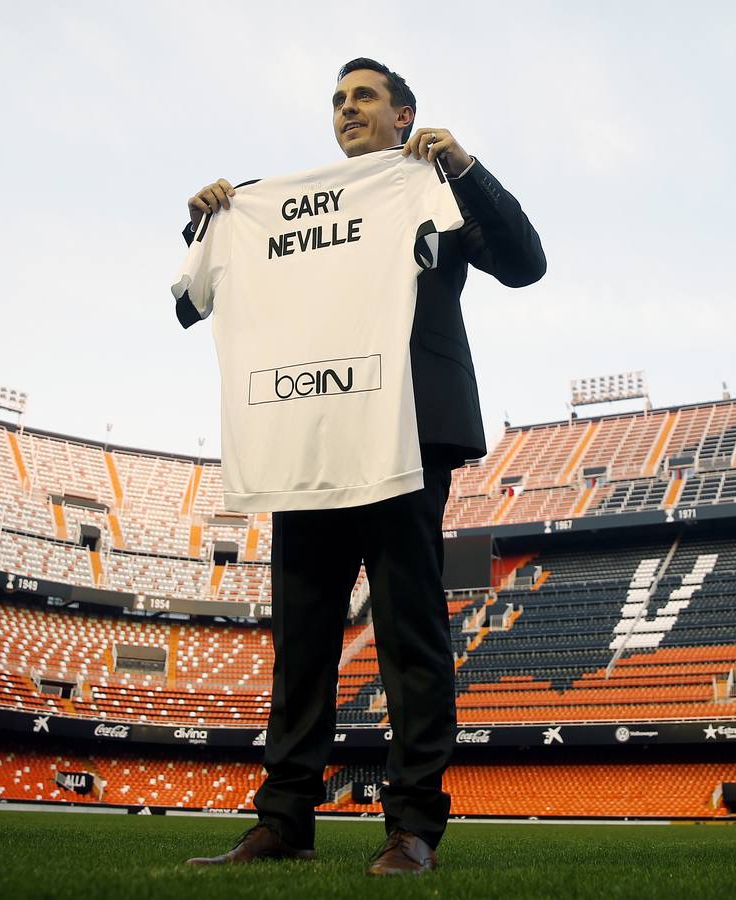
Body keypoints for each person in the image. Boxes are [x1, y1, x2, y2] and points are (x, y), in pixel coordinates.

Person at [183, 57, 546, 876]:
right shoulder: (270, 204)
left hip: (406, 430)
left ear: (403, 115)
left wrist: (463, 164)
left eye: (364, 97)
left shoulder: (433, 184)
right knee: (301, 639)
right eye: (338, 101)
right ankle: (282, 822)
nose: (347, 110)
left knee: (409, 634)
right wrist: (212, 217)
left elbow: (525, 262)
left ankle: (411, 827)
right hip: (311, 432)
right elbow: (187, 304)